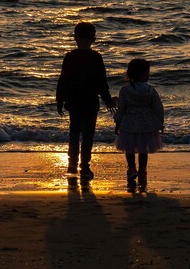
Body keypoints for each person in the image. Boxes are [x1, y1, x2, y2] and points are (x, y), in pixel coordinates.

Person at [55, 21, 114, 179]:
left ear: (75, 38)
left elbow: (63, 81)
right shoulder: (96, 57)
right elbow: (102, 82)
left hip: (74, 102)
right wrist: (107, 100)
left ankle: (73, 164)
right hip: (90, 102)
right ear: (93, 40)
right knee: (88, 135)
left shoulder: (70, 57)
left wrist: (59, 100)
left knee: (74, 133)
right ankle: (85, 166)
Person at [114, 57, 164, 192]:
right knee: (143, 149)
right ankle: (142, 172)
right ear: (143, 75)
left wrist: (117, 123)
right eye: (147, 73)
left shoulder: (125, 90)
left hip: (129, 122)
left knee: (129, 148)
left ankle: (131, 168)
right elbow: (158, 107)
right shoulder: (150, 90)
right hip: (146, 123)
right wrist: (160, 123)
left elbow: (121, 109)